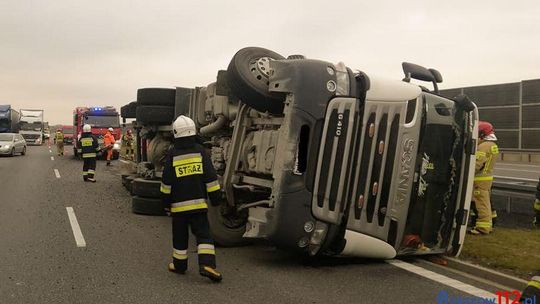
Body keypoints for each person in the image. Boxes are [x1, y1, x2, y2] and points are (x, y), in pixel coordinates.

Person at [160, 115, 223, 282]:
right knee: (204, 235)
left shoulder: (172, 154)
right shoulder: (200, 151)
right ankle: (207, 264)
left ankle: (179, 266)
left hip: (178, 208)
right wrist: (216, 198)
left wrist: (165, 205)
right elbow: (210, 177)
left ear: (175, 133)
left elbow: (166, 183)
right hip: (198, 206)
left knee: (179, 237)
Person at [469, 121, 499, 235]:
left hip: (479, 180)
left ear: (482, 134)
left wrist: (466, 172)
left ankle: (483, 228)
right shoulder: (492, 145)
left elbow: (477, 164)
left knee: (481, 203)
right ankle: (489, 223)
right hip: (486, 179)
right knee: (485, 202)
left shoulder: (483, 147)